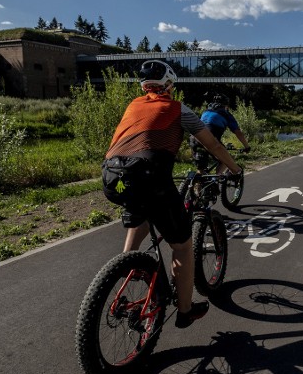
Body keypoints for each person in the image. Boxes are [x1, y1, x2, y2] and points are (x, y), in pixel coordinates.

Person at [101, 60, 242, 328]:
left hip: (114, 180)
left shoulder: (133, 106)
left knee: (141, 207)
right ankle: (186, 309)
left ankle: (127, 266)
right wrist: (234, 169)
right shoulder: (178, 109)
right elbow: (211, 143)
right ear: (169, 85)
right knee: (182, 246)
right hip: (149, 179)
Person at [189, 93, 251, 174]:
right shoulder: (226, 114)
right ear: (226, 105)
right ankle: (217, 180)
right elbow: (238, 133)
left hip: (194, 138)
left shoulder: (205, 112)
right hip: (210, 139)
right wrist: (247, 146)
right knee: (227, 160)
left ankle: (196, 184)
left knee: (201, 169)